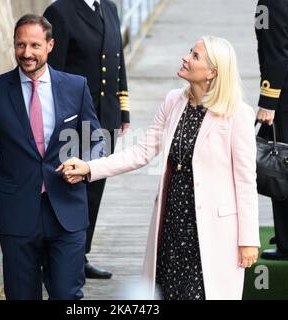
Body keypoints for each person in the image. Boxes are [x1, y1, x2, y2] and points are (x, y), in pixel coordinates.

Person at [58, 36, 260, 300]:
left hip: (214, 233)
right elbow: (140, 152)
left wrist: (248, 239)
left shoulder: (237, 114)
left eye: (195, 56)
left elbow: (245, 181)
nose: (186, 57)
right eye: (190, 51)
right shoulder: (174, 101)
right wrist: (89, 168)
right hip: (172, 226)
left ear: (213, 72)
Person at [0, 14, 103, 300]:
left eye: (35, 46)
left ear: (50, 45)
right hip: (17, 217)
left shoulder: (76, 86)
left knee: (67, 295)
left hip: (67, 212)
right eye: (20, 45)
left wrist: (86, 166)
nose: (26, 53)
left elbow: (95, 140)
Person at [43, 0, 130, 279]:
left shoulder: (110, 8)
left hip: (106, 117)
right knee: (68, 190)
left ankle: (80, 256)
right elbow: (51, 73)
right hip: (73, 121)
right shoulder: (60, 12)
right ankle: (57, 258)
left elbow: (118, 60)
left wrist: (123, 107)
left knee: (94, 188)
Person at [255, 0, 288, 260]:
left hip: (283, 101)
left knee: (280, 170)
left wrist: (267, 102)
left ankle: (286, 244)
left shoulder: (271, 3)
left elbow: (276, 54)